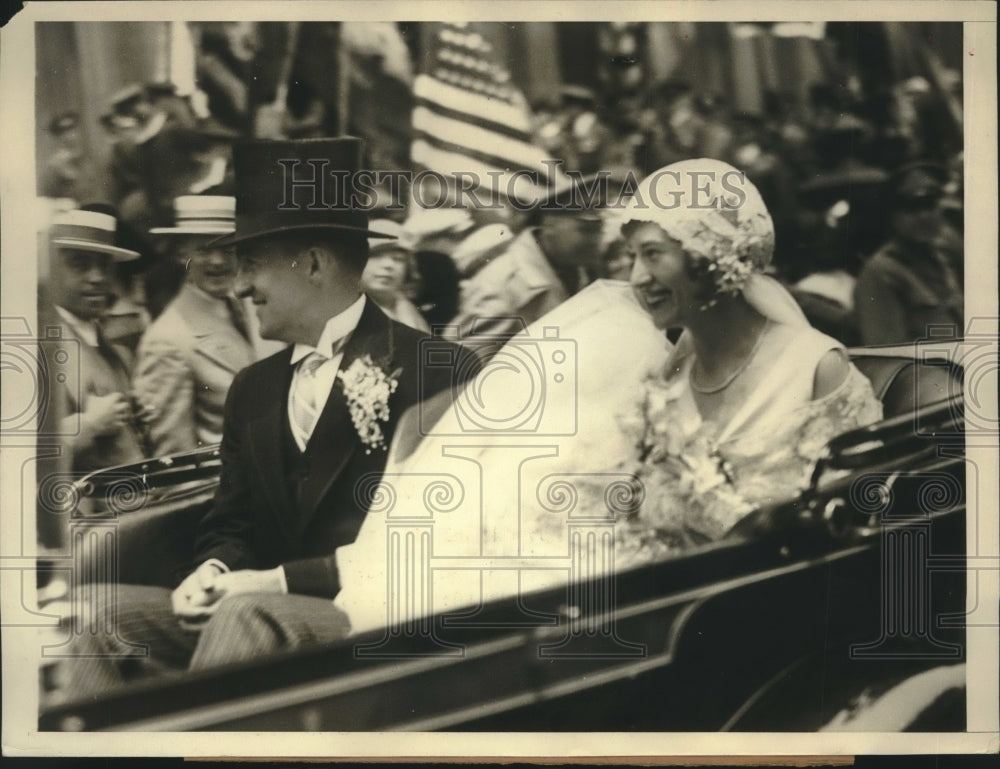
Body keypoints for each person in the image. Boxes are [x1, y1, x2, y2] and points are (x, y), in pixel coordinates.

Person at [334, 160, 883, 632]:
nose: (638, 278)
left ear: (714, 254)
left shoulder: (813, 364)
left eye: (654, 255)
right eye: (631, 258)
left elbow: (847, 520)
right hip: (660, 596)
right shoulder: (662, 370)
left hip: (768, 606)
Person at [65, 138, 480, 693]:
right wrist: (212, 571)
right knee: (90, 614)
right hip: (260, 611)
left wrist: (271, 582)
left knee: (246, 616)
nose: (238, 285)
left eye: (251, 264)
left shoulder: (440, 371)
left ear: (311, 264)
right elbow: (230, 523)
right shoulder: (254, 388)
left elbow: (434, 541)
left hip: (378, 616)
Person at [132, 196, 256, 456]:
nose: (217, 261)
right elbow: (175, 466)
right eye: (203, 249)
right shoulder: (167, 339)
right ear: (181, 254)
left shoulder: (253, 310)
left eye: (227, 248)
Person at [45, 209, 149, 473]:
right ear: (49, 269)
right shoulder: (39, 347)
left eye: (104, 265)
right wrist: (89, 424)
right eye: (80, 264)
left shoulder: (112, 348)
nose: (97, 277)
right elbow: (23, 453)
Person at [451, 177, 606, 343]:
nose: (595, 240)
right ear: (549, 223)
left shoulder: (581, 272)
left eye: (599, 228)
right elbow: (464, 362)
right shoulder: (504, 287)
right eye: (585, 229)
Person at [854, 162, 964, 344]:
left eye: (930, 205)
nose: (924, 217)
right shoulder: (881, 273)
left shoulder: (944, 258)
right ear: (892, 218)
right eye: (911, 209)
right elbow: (890, 357)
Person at [359, 219, 431, 333]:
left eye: (398, 259)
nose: (389, 265)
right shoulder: (340, 311)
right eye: (375, 256)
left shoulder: (405, 308)